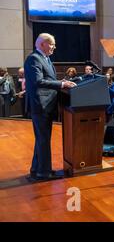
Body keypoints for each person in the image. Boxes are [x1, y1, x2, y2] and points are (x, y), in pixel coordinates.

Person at [24, 33, 76, 181]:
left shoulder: (45, 58)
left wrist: (61, 82)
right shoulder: (34, 58)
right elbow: (38, 81)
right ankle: (44, 173)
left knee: (41, 139)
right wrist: (61, 84)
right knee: (43, 140)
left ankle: (37, 169)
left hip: (46, 105)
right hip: (41, 105)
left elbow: (48, 79)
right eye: (52, 44)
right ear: (42, 44)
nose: (54, 47)